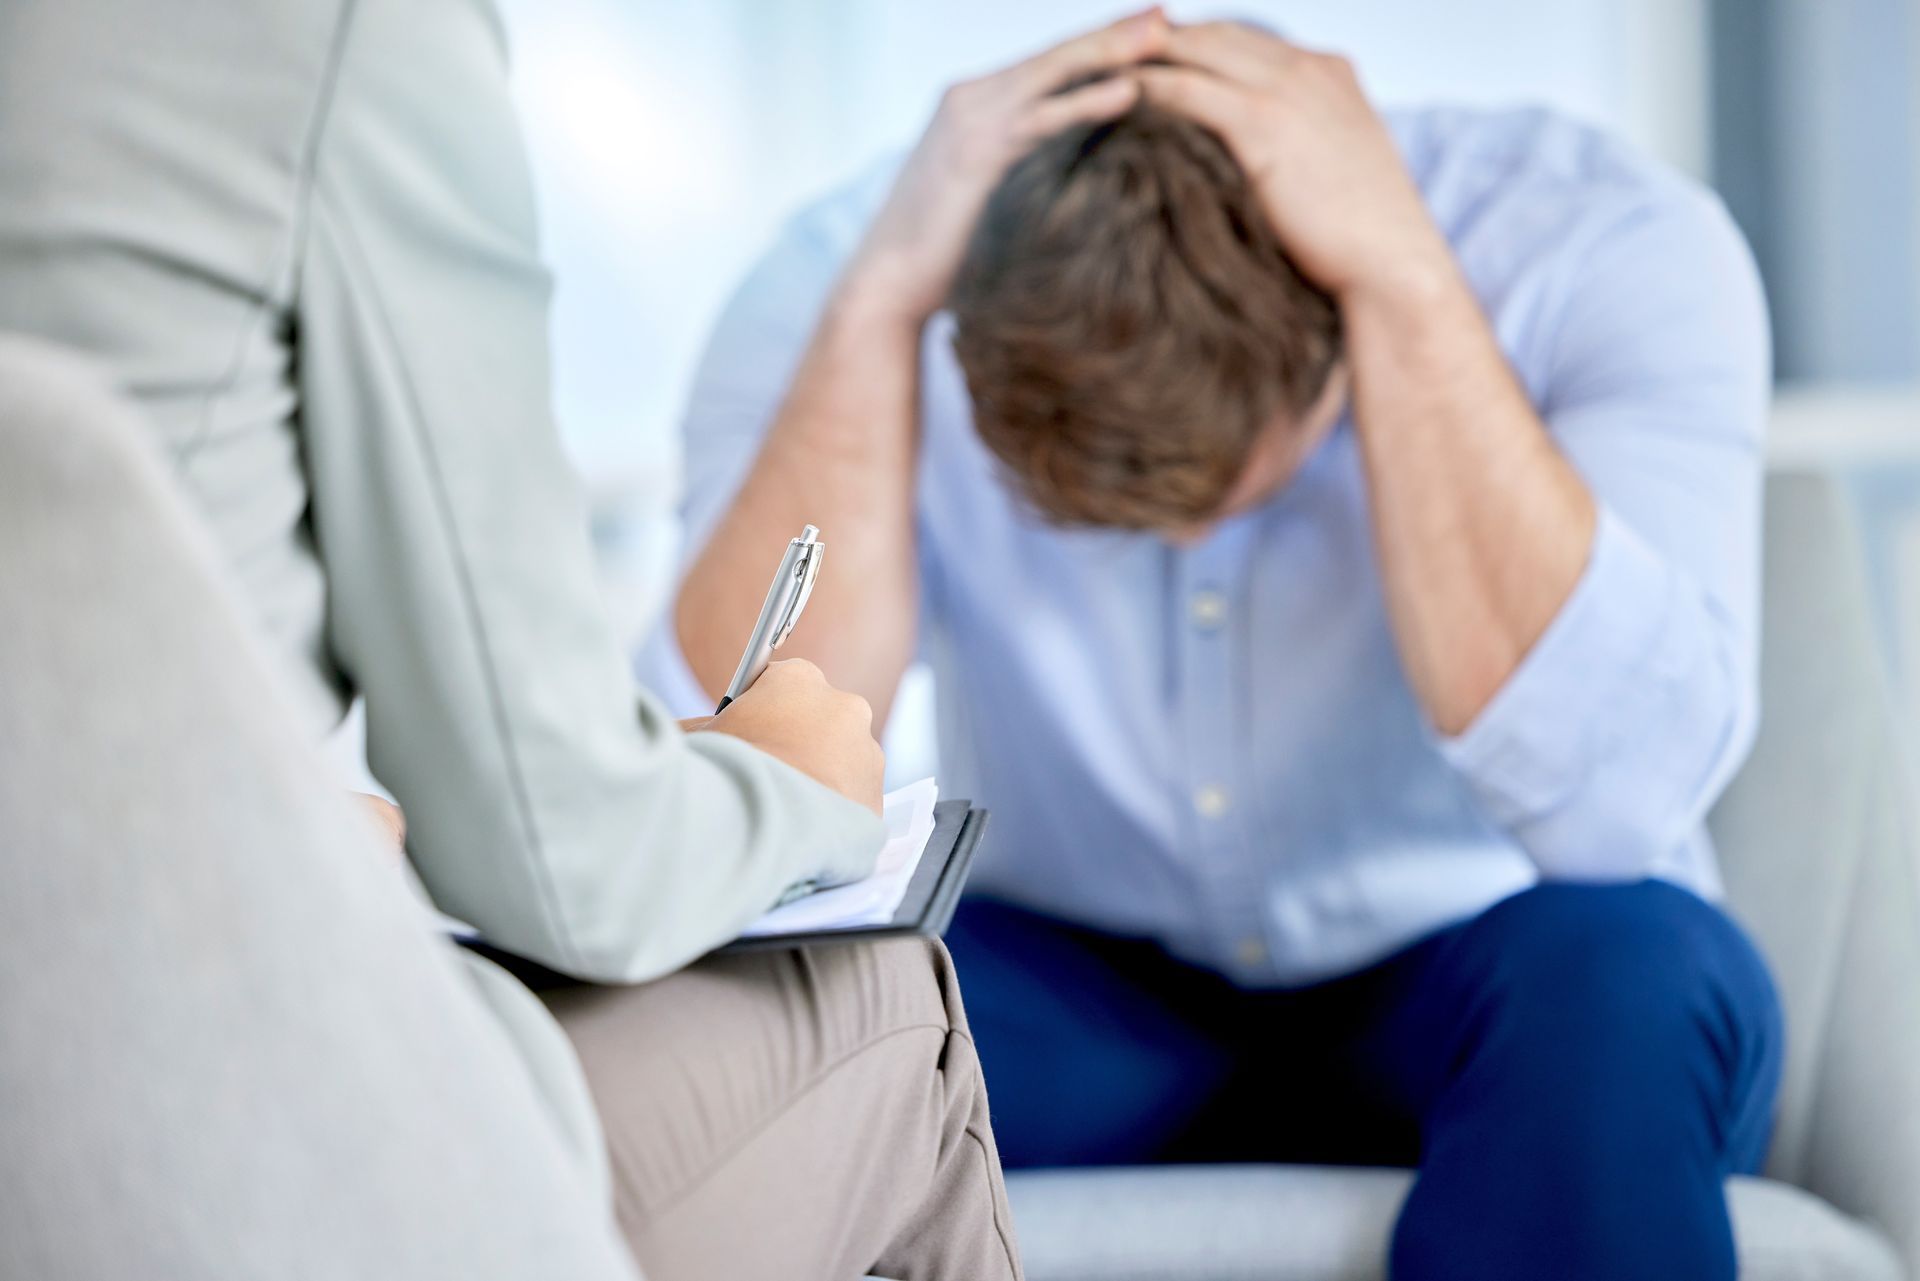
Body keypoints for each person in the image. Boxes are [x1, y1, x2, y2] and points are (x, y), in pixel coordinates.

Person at [0, 1, 1159, 1277]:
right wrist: (784, 782)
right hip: (212, 1164)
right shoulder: (335, 41)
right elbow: (559, 863)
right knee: (890, 993)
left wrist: (312, 825)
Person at [661, 12, 1784, 1281]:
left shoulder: (1602, 240)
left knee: (1636, 967)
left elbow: (1620, 813)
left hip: (1477, 979)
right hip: (1071, 996)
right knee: (754, 1022)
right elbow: (739, 807)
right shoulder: (840, 274)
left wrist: (1405, 282)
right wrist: (876, 307)